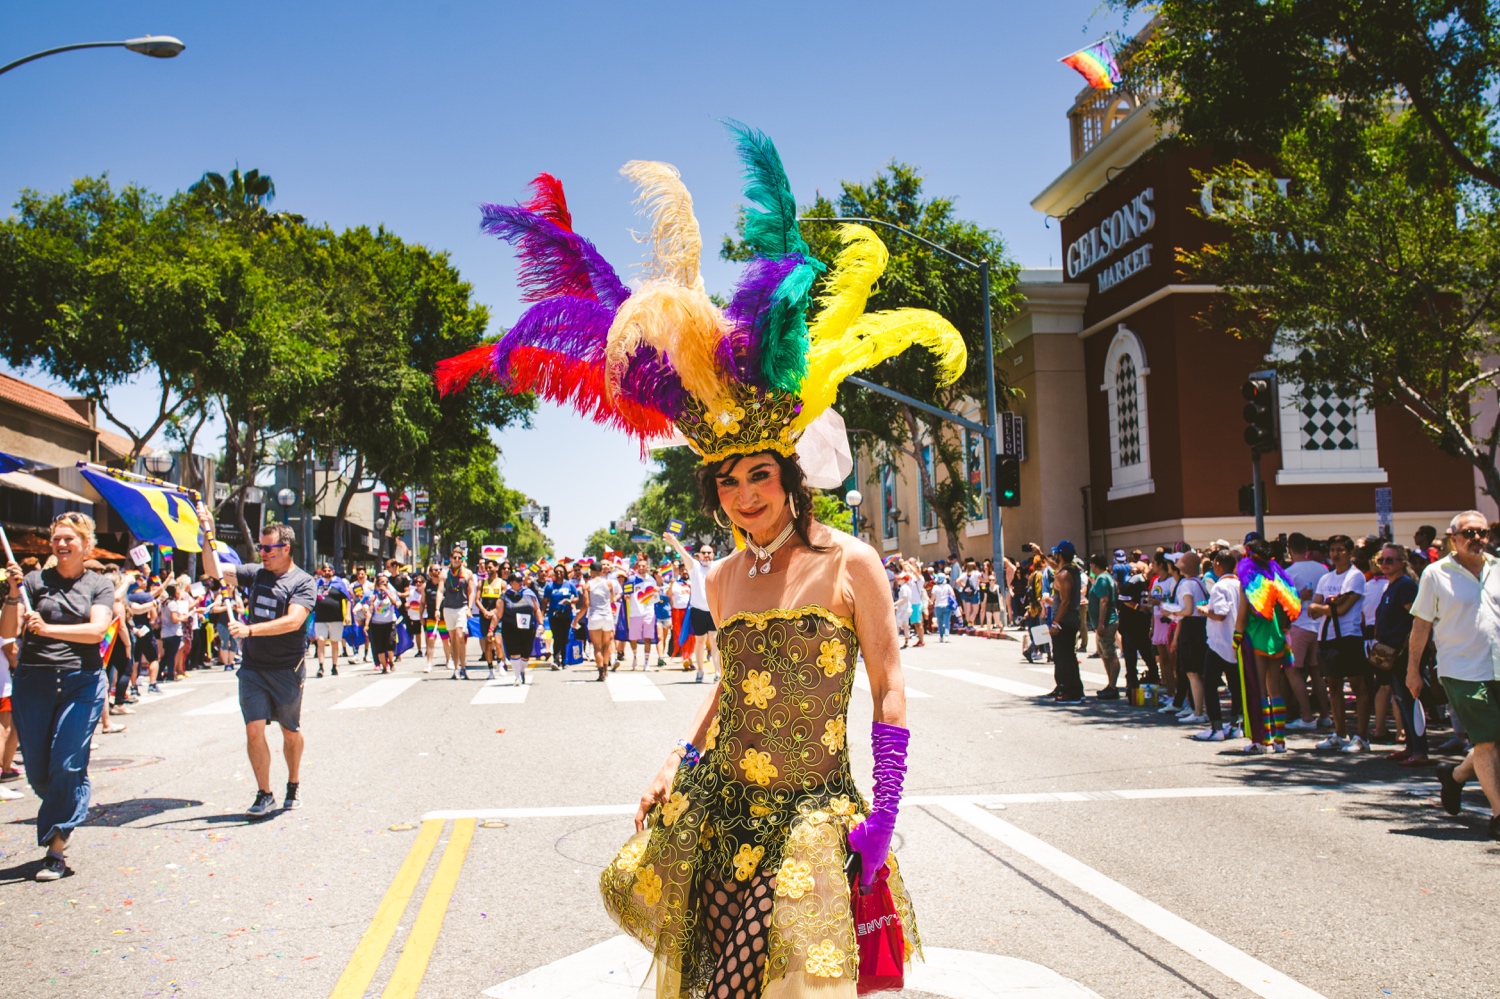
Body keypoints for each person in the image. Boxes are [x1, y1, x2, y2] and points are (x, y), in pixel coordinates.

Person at [2, 512, 115, 880]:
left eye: (70, 539)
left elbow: (98, 630)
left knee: (66, 762)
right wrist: (11, 593)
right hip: (33, 681)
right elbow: (9, 631)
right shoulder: (34, 581)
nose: (62, 544)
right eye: (57, 539)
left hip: (81, 680)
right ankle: (72, 796)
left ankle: (55, 849)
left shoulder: (99, 584)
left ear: (86, 545)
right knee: (38, 772)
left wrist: (48, 628)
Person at [201, 516, 316, 819]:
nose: (262, 554)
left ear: (286, 548)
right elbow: (213, 569)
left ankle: (293, 783)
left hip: (286, 669)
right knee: (254, 730)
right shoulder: (255, 574)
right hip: (252, 668)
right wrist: (207, 531)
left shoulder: (303, 582)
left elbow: (294, 621)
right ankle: (264, 793)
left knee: (289, 732)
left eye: (269, 549)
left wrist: (250, 630)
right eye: (261, 549)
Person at [1409, 511, 1500, 840]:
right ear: (1453, 538)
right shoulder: (1435, 574)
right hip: (1462, 670)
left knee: (1493, 739)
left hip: (1499, 665)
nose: (1477, 538)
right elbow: (1421, 624)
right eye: (1469, 533)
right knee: (1487, 740)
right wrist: (1413, 671)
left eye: (1483, 532)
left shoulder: (1498, 568)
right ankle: (1498, 814)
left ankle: (1456, 775)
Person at [1233, 538, 1301, 752]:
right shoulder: (1279, 582)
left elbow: (1242, 617)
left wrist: (1236, 639)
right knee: (1275, 689)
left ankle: (1264, 740)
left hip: (1257, 640)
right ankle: (1280, 740)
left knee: (1259, 689)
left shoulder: (1250, 584)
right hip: (1278, 639)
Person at [1309, 535, 1370, 752]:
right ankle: (1340, 732)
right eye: (1332, 550)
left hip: (1349, 636)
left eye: (1340, 550)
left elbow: (1342, 609)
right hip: (1326, 638)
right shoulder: (1326, 578)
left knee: (1357, 685)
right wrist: (1326, 606)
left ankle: (1362, 737)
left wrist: (1324, 607)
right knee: (1333, 686)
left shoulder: (1355, 577)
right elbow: (1312, 609)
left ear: (1350, 552)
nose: (1335, 554)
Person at [1374, 544, 1426, 765]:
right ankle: (1410, 746)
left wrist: (1409, 645)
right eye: (1381, 560)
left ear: (1402, 563)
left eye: (1390, 560)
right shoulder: (1391, 585)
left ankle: (1420, 751)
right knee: (1401, 699)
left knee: (1411, 700)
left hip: (1404, 653)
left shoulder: (1405, 585)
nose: (1385, 564)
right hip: (1390, 653)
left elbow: (1418, 619)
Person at [1280, 533, 1330, 732]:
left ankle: (1308, 717)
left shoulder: (1289, 572)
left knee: (1293, 671)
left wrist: (1298, 597)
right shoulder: (1322, 569)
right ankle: (1325, 716)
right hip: (1319, 626)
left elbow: (1283, 603)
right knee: (1317, 672)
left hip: (1299, 625)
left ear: (1289, 549)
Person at [1196, 550, 1244, 741]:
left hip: (1218, 643)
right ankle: (1235, 724)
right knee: (1236, 685)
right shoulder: (1241, 585)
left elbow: (1221, 613)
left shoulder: (1219, 586)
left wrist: (1205, 610)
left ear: (1217, 564)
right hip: (1236, 642)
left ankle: (1216, 728)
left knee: (1210, 684)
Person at [1171, 552, 1212, 724]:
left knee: (1192, 672)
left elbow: (1187, 610)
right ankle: (1203, 710)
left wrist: (1172, 612)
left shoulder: (1187, 584)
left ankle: (1198, 711)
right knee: (1198, 672)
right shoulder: (1199, 582)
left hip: (1191, 627)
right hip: (1201, 627)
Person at [1050, 541, 1084, 704]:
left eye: (1056, 554)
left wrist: (1055, 623)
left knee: (1066, 658)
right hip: (1069, 620)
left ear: (1060, 555)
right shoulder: (1072, 571)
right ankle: (1072, 689)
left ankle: (1073, 692)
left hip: (1065, 621)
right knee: (1065, 657)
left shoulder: (1064, 575)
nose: (1054, 557)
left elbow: (1065, 601)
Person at [1087, 552, 1122, 698]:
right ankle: (1110, 684)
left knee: (1110, 654)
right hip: (1105, 622)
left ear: (1094, 565)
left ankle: (1113, 686)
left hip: (1107, 622)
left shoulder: (1102, 579)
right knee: (1104, 654)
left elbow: (1104, 601)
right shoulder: (1107, 577)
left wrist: (1101, 622)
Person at [437, 550, 476, 680]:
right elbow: (440, 591)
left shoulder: (467, 573)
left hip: (462, 607)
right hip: (448, 608)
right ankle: (456, 667)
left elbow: (472, 592)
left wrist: (469, 608)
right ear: (451, 558)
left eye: (460, 557)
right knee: (452, 638)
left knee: (460, 635)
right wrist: (437, 609)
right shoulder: (444, 574)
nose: (457, 559)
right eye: (455, 557)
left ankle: (463, 667)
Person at [499, 573, 542, 686]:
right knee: (514, 652)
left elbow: (537, 609)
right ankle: (517, 676)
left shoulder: (529, 593)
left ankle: (522, 670)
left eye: (521, 580)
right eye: (517, 580)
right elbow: (499, 613)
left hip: (527, 628)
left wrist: (541, 624)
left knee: (526, 654)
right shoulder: (505, 596)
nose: (520, 582)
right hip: (510, 627)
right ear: (511, 583)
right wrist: (492, 628)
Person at [312, 563, 350, 678]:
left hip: (336, 618)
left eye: (329, 570)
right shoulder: (318, 584)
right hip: (320, 618)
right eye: (324, 570)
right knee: (321, 640)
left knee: (334, 642)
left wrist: (347, 614)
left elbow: (348, 598)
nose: (327, 572)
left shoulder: (339, 583)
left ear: (333, 571)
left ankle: (334, 666)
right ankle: (321, 666)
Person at [583, 562, 620, 682]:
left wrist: (577, 618)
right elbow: (612, 599)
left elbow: (586, 604)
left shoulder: (588, 585)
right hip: (607, 616)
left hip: (594, 616)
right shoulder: (609, 583)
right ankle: (605, 667)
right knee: (606, 644)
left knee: (597, 647)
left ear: (591, 571)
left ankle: (601, 672)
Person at [366, 572, 403, 674]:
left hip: (390, 622)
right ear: (377, 584)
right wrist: (366, 623)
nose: (383, 584)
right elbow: (370, 610)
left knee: (390, 643)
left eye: (386, 583)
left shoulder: (391, 592)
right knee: (380, 647)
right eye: (381, 582)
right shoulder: (373, 595)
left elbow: (395, 603)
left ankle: (391, 662)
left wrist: (386, 591)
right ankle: (384, 667)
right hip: (377, 623)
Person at [543, 565, 579, 670]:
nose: (559, 573)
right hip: (554, 615)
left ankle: (565, 661)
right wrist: (542, 613)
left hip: (566, 615)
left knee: (564, 638)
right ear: (554, 573)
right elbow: (545, 601)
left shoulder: (570, 585)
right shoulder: (550, 586)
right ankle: (556, 660)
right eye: (557, 571)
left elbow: (576, 597)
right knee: (557, 637)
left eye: (561, 571)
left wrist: (571, 601)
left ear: (564, 573)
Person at [930, 571, 955, 641]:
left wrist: (930, 602)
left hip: (938, 606)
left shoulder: (935, 587)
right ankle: (946, 636)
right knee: (947, 621)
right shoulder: (948, 586)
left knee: (940, 622)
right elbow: (953, 595)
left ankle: (941, 636)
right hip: (947, 605)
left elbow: (933, 598)